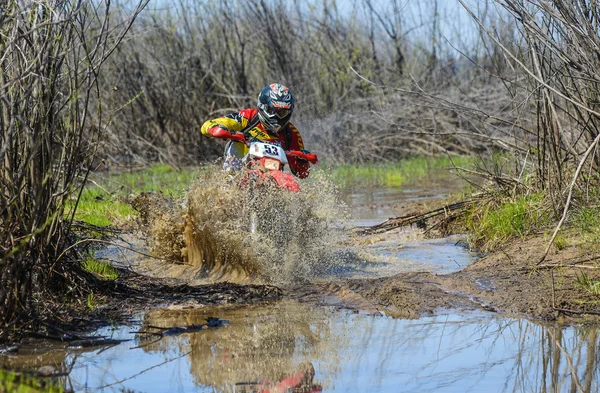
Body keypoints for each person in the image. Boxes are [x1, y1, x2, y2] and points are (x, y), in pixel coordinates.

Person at [201, 83, 311, 178]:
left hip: (272, 172)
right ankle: (227, 186)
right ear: (263, 106)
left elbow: (302, 174)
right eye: (272, 110)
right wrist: (218, 130)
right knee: (232, 166)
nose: (276, 116)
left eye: (282, 113)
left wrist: (302, 161)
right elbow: (206, 126)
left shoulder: (291, 133)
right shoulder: (248, 117)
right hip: (239, 167)